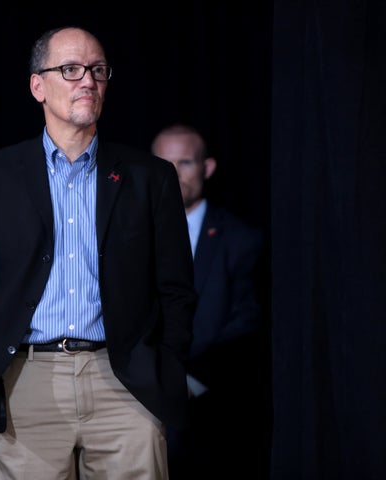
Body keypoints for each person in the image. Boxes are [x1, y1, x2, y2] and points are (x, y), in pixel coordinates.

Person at [0, 26, 197, 480]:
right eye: (71, 69)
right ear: (37, 85)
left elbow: (176, 288)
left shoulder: (150, 177)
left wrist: (165, 365)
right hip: (25, 379)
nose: (88, 82)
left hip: (126, 382)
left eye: (98, 71)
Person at [151, 123, 269, 478]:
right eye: (163, 163)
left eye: (184, 162)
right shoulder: (126, 233)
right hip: (130, 403)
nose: (173, 174)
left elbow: (248, 323)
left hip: (209, 413)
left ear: (208, 168)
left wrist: (190, 382)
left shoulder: (241, 240)